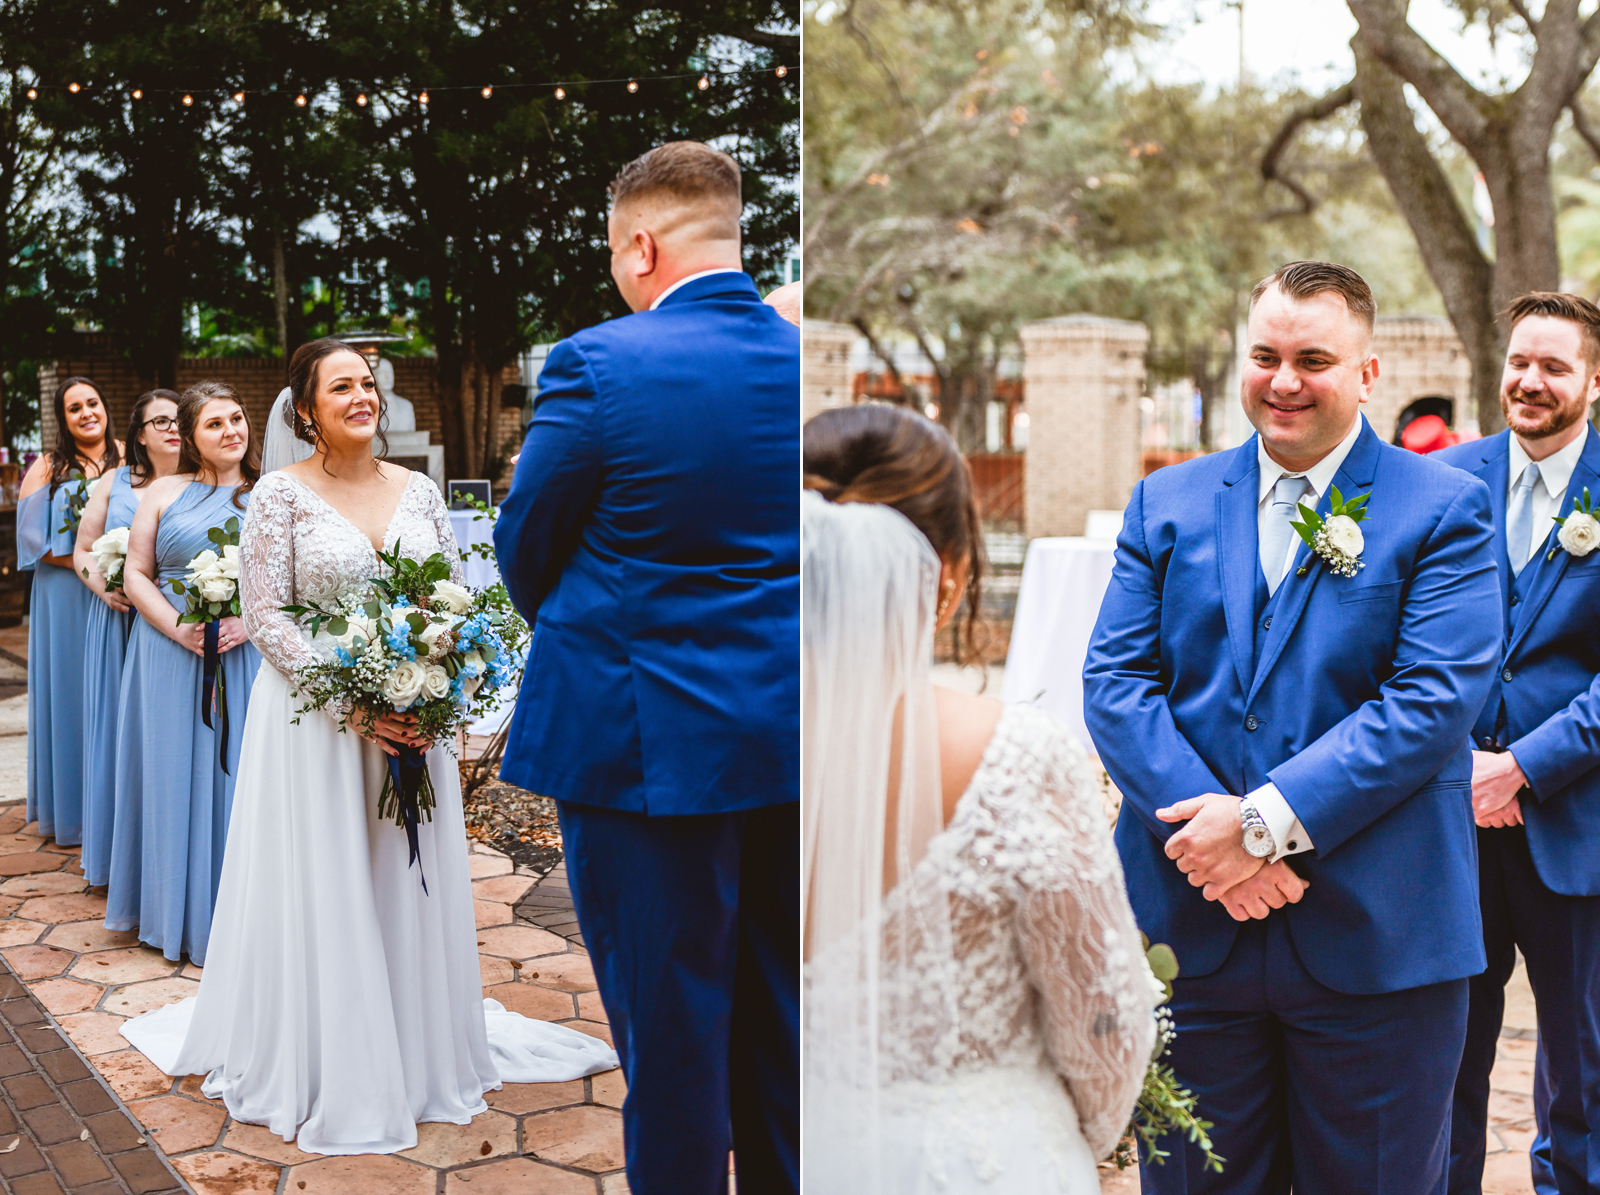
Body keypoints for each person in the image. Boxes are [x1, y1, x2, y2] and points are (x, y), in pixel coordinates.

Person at [118, 339, 615, 1156]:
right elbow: (267, 612)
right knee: (331, 877)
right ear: (305, 409)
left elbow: (452, 596)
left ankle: (417, 1041)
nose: (361, 396)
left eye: (367, 383)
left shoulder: (418, 491)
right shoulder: (278, 495)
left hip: (412, 719)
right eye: (340, 385)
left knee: (403, 875)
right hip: (317, 725)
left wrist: (434, 683)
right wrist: (352, 701)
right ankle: (335, 1048)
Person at [1083, 260, 1503, 1194]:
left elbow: (1434, 698)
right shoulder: (1168, 501)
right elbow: (1116, 681)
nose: (1283, 380)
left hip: (1381, 934)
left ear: (1368, 372)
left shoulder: (1446, 509)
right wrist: (1206, 838)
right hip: (1191, 930)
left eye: (1314, 357)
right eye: (1266, 355)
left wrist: (1263, 824)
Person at [494, 141, 800, 1194]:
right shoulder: (811, 362)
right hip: (794, 742)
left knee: (670, 1033)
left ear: (641, 244)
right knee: (782, 1017)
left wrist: (599, 626)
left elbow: (526, 546)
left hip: (645, 748)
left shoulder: (600, 362)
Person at [802, 404, 1153, 1193]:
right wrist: (1059, 1140)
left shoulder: (727, 757)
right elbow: (1105, 1020)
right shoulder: (1019, 758)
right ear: (950, 574)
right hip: (982, 1159)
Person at [1434, 292, 1600, 1195]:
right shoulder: (1445, 482)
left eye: (1555, 366)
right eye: (1520, 362)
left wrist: (1526, 766)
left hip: (1575, 824)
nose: (1530, 382)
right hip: (1445, 822)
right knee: (1445, 1052)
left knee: (1585, 1063)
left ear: (1595, 381)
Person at [106, 382, 261, 963]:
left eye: (238, 419)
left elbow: (291, 577)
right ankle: (173, 911)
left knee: (241, 774)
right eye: (216, 424)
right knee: (170, 770)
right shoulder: (165, 490)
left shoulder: (270, 493)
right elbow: (136, 574)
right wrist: (180, 628)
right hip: (168, 654)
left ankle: (241, 912)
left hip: (247, 653)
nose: (232, 431)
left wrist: (248, 621)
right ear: (192, 437)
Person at [75, 389, 184, 888]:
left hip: (176, 626)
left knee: (162, 742)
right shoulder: (114, 483)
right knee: (117, 737)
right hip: (118, 620)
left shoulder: (202, 483)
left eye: (179, 419)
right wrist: (107, 588)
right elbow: (82, 550)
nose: (171, 428)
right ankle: (115, 860)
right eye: (159, 422)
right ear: (139, 435)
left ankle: (162, 852)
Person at [18, 376, 122, 846]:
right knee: (71, 694)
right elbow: (32, 543)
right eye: (74, 408)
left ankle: (119, 811)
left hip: (120, 592)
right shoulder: (48, 466)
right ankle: (74, 814)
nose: (86, 413)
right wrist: (95, 562)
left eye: (92, 403)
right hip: (64, 593)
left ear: (105, 406)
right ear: (62, 419)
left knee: (116, 694)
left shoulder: (128, 456)